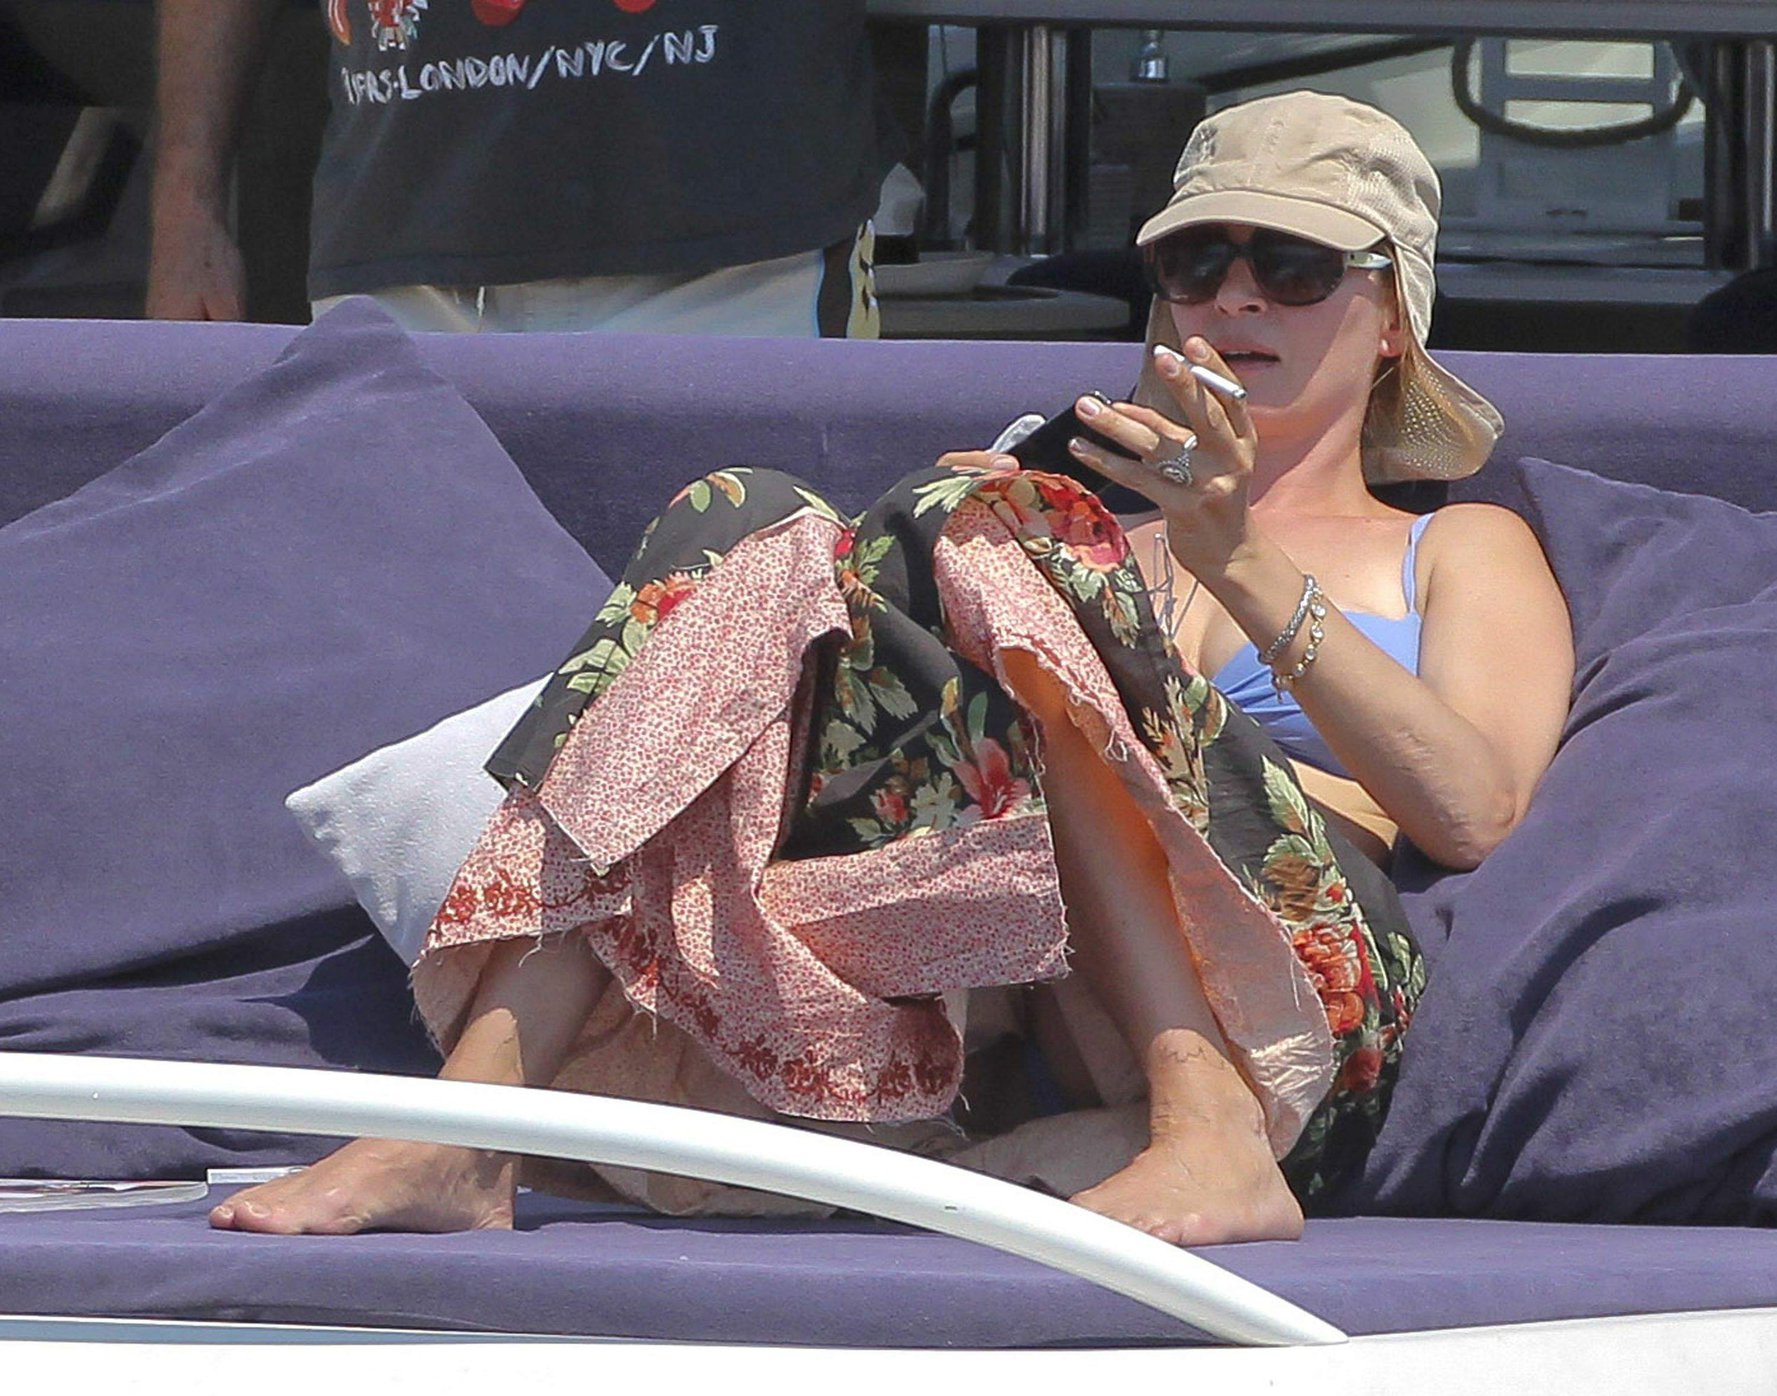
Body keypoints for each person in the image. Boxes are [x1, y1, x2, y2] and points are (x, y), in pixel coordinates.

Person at [207, 91, 1573, 1245]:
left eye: (1290, 267)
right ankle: (479, 1117)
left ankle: (1206, 1118)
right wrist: (950, 578)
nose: (1231, 297)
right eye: (1197, 260)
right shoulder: (1083, 536)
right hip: (1031, 1010)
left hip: (1312, 1008)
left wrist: (1236, 567)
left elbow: (1476, 809)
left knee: (977, 541)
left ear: (1391, 316)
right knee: (740, 528)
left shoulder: (1455, 544)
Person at [147, 1, 888, 336]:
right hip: (395, 272)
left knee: (734, 637)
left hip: (731, 268)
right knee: (412, 637)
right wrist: (185, 202)